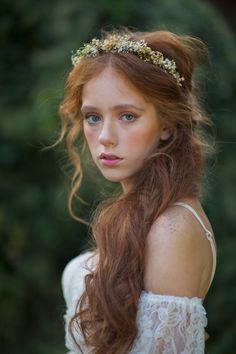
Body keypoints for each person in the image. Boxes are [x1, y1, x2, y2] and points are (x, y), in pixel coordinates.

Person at [58, 28, 217, 354]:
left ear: (167, 125)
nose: (105, 136)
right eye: (92, 117)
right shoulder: (140, 214)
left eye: (127, 116)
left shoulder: (172, 227)